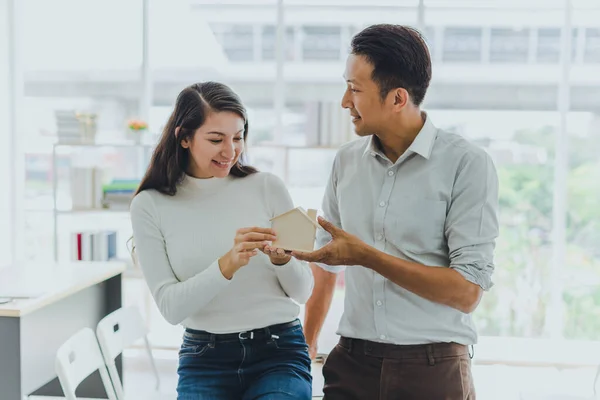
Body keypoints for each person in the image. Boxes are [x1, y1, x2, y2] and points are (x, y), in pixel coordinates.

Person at [294, 24, 499, 400]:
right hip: (351, 364)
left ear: (398, 98)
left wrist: (368, 257)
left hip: (433, 370)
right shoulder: (345, 162)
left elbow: (467, 292)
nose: (344, 101)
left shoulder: (467, 164)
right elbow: (327, 264)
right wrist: (303, 348)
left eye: (355, 90)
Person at [130, 81, 314, 400]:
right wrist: (228, 264)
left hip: (279, 351)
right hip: (205, 358)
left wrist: (283, 261)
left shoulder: (268, 187)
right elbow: (171, 308)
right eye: (216, 139)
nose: (230, 151)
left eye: (238, 137)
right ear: (184, 137)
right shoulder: (150, 205)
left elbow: (303, 291)